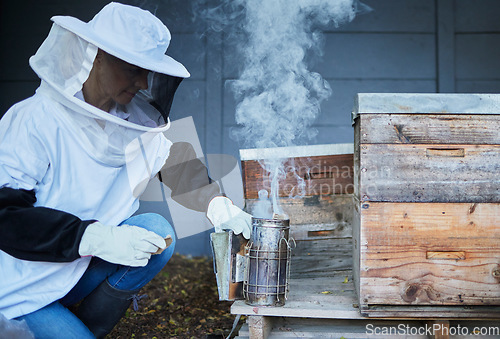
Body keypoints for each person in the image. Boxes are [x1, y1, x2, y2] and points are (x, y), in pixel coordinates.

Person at [0, 2, 252, 338]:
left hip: (84, 266)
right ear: (97, 56)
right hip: (26, 282)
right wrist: (95, 237)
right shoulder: (34, 120)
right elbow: (6, 216)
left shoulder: (138, 119)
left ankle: (84, 323)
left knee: (156, 229)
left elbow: (177, 165)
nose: (143, 81)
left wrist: (218, 206)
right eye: (133, 68)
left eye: (148, 70)